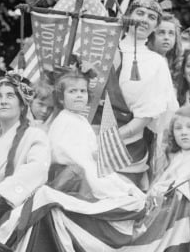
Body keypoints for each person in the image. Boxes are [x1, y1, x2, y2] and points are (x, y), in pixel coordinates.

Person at [94, 0, 179, 186]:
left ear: (156, 27)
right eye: (139, 13)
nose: (144, 20)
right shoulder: (103, 48)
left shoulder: (156, 63)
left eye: (151, 17)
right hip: (88, 134)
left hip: (125, 149)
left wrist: (106, 142)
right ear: (128, 15)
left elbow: (146, 118)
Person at [46, 67, 144, 202]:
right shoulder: (64, 120)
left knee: (122, 185)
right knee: (110, 191)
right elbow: (63, 152)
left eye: (82, 91)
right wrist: (88, 161)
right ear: (61, 98)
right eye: (72, 91)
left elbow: (90, 152)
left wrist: (95, 154)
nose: (79, 95)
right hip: (71, 174)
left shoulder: (80, 120)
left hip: (85, 168)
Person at [0, 72, 51, 221]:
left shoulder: (35, 136)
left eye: (10, 96)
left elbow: (37, 169)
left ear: (22, 106)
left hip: (20, 214)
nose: (3, 101)